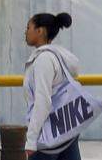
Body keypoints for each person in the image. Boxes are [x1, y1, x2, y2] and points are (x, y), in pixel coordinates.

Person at [23, 12, 80, 160]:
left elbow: (43, 102)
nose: (26, 31)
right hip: (67, 130)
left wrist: (31, 140)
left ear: (40, 31)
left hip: (48, 134)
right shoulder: (58, 56)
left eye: (28, 27)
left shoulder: (44, 60)